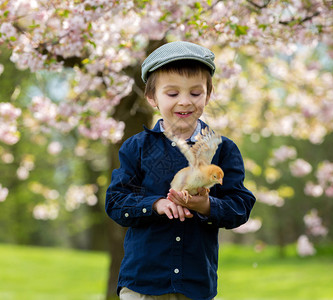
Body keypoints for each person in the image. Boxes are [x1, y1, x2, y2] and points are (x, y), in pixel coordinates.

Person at [105, 41, 256, 300]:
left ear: (208, 94)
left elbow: (240, 205)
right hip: (142, 283)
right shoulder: (136, 147)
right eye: (172, 94)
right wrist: (155, 205)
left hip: (195, 283)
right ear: (152, 97)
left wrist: (207, 207)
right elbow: (116, 201)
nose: (185, 102)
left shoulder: (223, 149)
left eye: (195, 93)